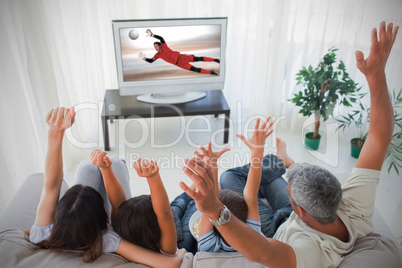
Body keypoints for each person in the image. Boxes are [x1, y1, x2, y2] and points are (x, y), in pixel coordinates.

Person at [179, 21, 399, 268]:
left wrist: (214, 209)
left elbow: (262, 254)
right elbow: (379, 138)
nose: (288, 188)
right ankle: (281, 161)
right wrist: (376, 75)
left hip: (278, 226)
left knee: (230, 178)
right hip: (295, 211)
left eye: (291, 189)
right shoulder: (355, 204)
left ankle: (279, 162)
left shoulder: (310, 251)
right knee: (253, 182)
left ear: (301, 211)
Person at [26, 107, 185, 267]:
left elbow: (51, 186)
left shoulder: (42, 233)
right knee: (114, 162)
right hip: (161, 225)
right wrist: (182, 253)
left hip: (143, 223)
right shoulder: (106, 239)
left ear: (58, 216)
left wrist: (55, 133)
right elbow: (124, 206)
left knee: (87, 168)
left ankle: (106, 165)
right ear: (105, 221)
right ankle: (111, 164)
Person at [196, 117, 276, 252]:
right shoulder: (254, 236)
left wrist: (213, 166)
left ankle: (278, 160)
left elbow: (212, 203)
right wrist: (257, 151)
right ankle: (279, 159)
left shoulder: (207, 247)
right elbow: (250, 196)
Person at [90, 150, 177, 256]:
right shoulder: (167, 250)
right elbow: (164, 213)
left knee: (181, 203)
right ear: (158, 227)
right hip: (180, 235)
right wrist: (153, 177)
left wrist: (105, 169)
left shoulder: (118, 233)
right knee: (183, 203)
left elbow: (117, 202)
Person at [138, 29, 220, 75]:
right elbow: (151, 61)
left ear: (160, 45)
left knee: (199, 58)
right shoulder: (157, 55)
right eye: (154, 47)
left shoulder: (164, 46)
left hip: (181, 57)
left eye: (156, 46)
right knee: (196, 69)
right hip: (179, 64)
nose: (155, 48)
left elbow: (161, 38)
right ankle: (211, 72)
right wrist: (144, 58)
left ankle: (214, 60)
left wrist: (152, 35)